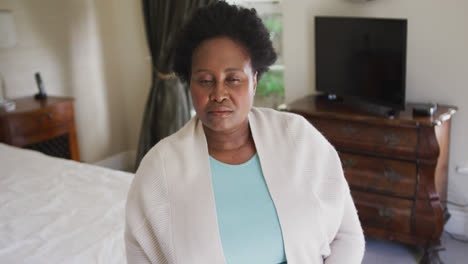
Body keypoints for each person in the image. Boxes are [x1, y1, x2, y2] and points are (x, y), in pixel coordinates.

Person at [125, 2, 365, 263]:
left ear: (255, 80)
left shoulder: (298, 138)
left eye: (233, 79)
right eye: (205, 80)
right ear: (189, 82)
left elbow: (347, 236)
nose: (218, 94)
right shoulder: (159, 170)